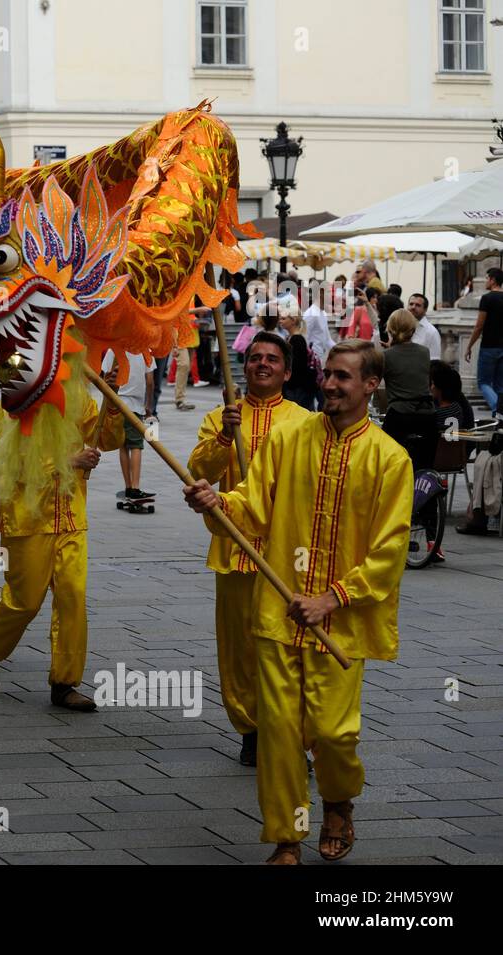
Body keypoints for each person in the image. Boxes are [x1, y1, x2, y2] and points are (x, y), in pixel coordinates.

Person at [183, 340, 412, 865]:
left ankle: (337, 802)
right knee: (280, 734)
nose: (330, 385)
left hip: (341, 623)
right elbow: (253, 507)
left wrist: (333, 598)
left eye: (344, 377)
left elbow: (391, 547)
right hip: (277, 610)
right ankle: (286, 838)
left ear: (370, 385)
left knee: (334, 732)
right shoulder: (289, 438)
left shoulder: (390, 458)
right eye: (327, 375)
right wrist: (218, 503)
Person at [187, 333, 310, 767]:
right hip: (235, 549)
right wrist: (224, 435)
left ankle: (289, 731)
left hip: (285, 552)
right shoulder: (221, 417)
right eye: (255, 357)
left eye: (272, 359)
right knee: (239, 648)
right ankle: (251, 728)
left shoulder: (303, 420)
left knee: (285, 645)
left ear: (287, 371)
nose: (262, 364)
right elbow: (198, 471)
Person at [0, 362, 124, 710]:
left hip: (71, 515)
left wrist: (111, 403)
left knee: (73, 594)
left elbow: (107, 438)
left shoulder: (77, 396)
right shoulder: (15, 401)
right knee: (25, 600)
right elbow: (17, 463)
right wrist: (70, 461)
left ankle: (65, 681)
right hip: (27, 519)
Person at [381, 309, 436, 470]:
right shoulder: (424, 352)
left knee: (386, 460)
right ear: (413, 329)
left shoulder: (386, 356)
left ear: (390, 329)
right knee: (425, 465)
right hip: (427, 416)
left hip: (399, 415)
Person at [104, 350, 155, 499]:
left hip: (117, 403)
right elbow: (150, 381)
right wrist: (149, 405)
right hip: (135, 405)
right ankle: (135, 487)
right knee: (136, 445)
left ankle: (127, 486)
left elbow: (106, 375)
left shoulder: (113, 348)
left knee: (123, 445)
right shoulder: (145, 350)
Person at [464, 267, 503, 416]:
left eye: (487, 278)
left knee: (484, 383)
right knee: (500, 385)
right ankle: (500, 413)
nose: (486, 281)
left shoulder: (487, 298)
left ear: (492, 280)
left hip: (489, 346)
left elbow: (479, 325)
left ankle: (497, 410)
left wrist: (469, 346)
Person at [279, 302, 321, 411]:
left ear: (292, 320)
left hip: (297, 389)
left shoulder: (297, 340)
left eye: (283, 319)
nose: (280, 321)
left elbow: (297, 367)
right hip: (296, 388)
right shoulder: (293, 338)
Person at [407, 293, 440, 360]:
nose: (413, 307)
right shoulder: (402, 326)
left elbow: (434, 360)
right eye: (411, 304)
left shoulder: (431, 332)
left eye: (418, 305)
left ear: (425, 310)